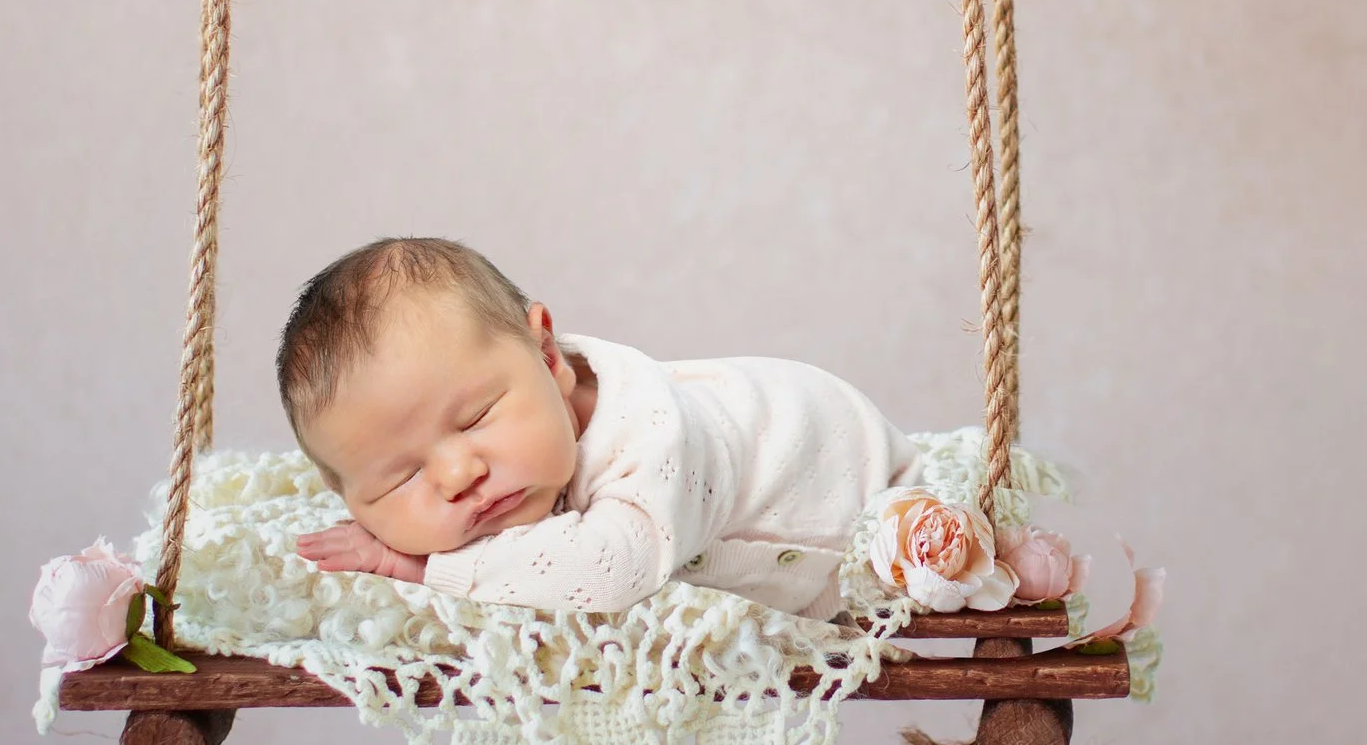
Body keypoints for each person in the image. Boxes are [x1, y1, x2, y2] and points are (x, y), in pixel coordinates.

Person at [286, 235, 930, 618]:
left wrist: (421, 568)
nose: (459, 475)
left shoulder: (650, 433)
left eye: (478, 417)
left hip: (862, 496)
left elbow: (612, 566)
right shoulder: (528, 453)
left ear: (547, 356)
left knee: (949, 552)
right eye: (401, 477)